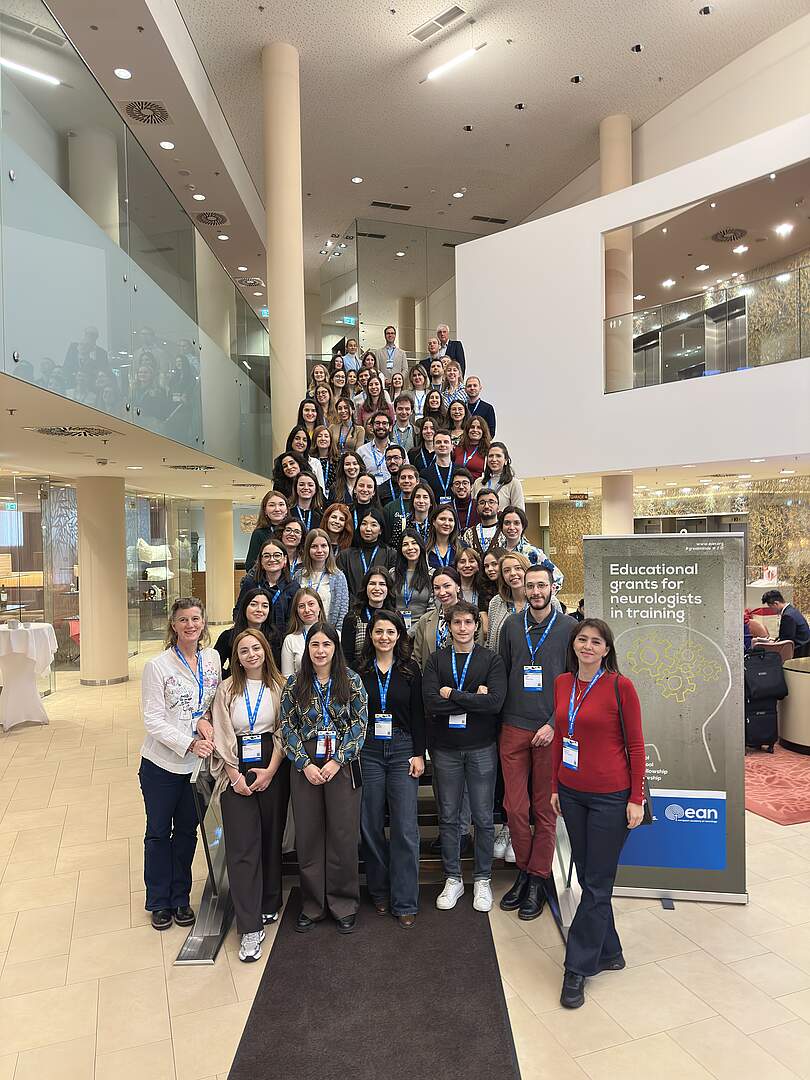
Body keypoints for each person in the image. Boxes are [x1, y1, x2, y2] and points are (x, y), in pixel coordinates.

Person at [551, 618, 646, 1008]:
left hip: (611, 796)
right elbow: (561, 738)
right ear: (574, 645)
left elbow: (636, 746)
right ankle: (610, 952)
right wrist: (555, 786)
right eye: (582, 640)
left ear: (606, 650)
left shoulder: (621, 687)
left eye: (595, 641)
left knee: (596, 883)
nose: (587, 646)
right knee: (590, 876)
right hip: (572, 793)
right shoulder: (562, 683)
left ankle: (577, 967)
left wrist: (636, 798)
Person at [498, 565, 577, 920]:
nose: (535, 592)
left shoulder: (569, 628)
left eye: (541, 585)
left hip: (549, 731)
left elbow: (576, 682)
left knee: (545, 810)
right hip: (513, 726)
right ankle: (526, 870)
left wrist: (553, 724)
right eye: (530, 586)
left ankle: (537, 878)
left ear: (552, 587)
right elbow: (502, 672)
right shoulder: (511, 626)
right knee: (515, 807)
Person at [139, 598, 221, 931]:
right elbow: (153, 720)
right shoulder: (157, 666)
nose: (191, 625)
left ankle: (180, 897)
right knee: (159, 833)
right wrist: (189, 742)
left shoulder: (212, 659)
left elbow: (210, 702)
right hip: (162, 766)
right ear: (173, 625)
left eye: (196, 619)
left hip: (196, 769)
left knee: (187, 832)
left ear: (204, 623)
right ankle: (159, 901)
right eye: (183, 620)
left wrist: (204, 720)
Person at [280, 622, 368, 933]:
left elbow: (360, 725)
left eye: (326, 645)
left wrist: (337, 760)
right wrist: (304, 763)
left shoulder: (351, 681)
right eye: (314, 645)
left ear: (335, 648)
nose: (320, 651)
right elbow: (287, 726)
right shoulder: (295, 683)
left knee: (343, 834)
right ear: (307, 649)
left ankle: (344, 903)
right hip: (305, 764)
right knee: (309, 835)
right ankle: (313, 904)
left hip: (341, 763)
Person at [423, 601, 507, 912]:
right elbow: (431, 703)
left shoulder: (491, 660)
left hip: (482, 747)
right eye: (456, 622)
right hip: (445, 749)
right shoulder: (436, 660)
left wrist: (453, 694)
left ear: (476, 626)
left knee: (483, 818)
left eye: (468, 622)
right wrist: (474, 698)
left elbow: (494, 703)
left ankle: (483, 878)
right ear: (449, 626)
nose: (462, 628)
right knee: (448, 816)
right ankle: (453, 878)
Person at [211, 630, 290, 962]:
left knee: (271, 837)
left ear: (265, 650)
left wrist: (270, 770)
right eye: (244, 650)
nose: (251, 654)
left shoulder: (280, 686)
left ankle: (270, 901)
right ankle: (250, 927)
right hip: (236, 763)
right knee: (242, 846)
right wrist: (233, 775)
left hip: (273, 762)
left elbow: (285, 729)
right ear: (237, 657)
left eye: (256, 648)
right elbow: (221, 732)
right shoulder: (227, 689)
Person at [358, 610, 425, 926]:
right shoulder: (359, 671)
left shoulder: (410, 669)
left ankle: (405, 899)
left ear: (399, 635)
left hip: (402, 749)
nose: (384, 637)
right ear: (370, 635)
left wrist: (419, 753)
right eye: (378, 631)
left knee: (405, 827)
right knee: (370, 824)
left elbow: (419, 714)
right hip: (368, 749)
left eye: (390, 632)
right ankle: (379, 891)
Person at [495, 506, 564, 594]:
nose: (511, 527)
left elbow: (558, 577)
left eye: (516, 523)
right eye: (507, 523)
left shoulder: (533, 552)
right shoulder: (497, 552)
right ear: (501, 526)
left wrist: (544, 597)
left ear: (523, 526)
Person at [340, 567, 396, 667]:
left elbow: (401, 651)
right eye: (372, 583)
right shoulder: (352, 617)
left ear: (388, 588)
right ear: (365, 587)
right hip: (358, 673)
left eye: (382, 584)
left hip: (390, 672)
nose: (377, 588)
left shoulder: (396, 617)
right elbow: (346, 658)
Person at [295, 528, 350, 631]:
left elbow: (342, 612)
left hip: (329, 634)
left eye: (324, 546)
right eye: (314, 546)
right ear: (307, 549)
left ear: (329, 548)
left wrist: (336, 634)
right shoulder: (299, 575)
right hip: (303, 632)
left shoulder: (338, 576)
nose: (319, 550)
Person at [337, 507, 395, 596]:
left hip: (380, 602)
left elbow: (392, 586)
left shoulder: (390, 554)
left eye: (373, 525)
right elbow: (341, 587)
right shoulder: (345, 556)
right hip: (352, 603)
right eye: (364, 524)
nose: (368, 529)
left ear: (380, 530)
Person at [215, 588, 272, 677]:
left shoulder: (275, 636)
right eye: (253, 604)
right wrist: (233, 677)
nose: (259, 609)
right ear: (244, 607)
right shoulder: (228, 636)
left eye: (265, 606)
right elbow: (215, 667)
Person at [487, 551, 530, 652]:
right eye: (506, 571)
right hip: (502, 660)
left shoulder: (547, 600)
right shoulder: (496, 602)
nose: (513, 573)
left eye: (518, 568)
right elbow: (490, 642)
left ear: (527, 570)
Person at [393, 529, 433, 631]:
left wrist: (411, 632)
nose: (410, 548)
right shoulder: (393, 574)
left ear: (421, 546)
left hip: (423, 630)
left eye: (414, 543)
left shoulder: (431, 575)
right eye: (405, 544)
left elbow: (432, 610)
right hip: (395, 630)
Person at [281, 587, 326, 677]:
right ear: (296, 611)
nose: (307, 610)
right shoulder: (290, 640)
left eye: (311, 604)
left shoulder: (336, 635)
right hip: (300, 686)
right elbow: (287, 678)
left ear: (320, 607)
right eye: (301, 606)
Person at [245, 490, 289, 572]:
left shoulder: (294, 531)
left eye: (281, 504)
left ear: (287, 509)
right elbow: (250, 565)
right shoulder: (259, 533)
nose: (277, 509)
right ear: (265, 510)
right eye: (272, 505)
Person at [472, 442, 525, 511]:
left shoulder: (513, 483)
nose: (494, 459)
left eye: (498, 456)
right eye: (491, 456)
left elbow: (519, 512)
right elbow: (473, 509)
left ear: (506, 460)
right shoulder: (478, 482)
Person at [761, 589, 810, 657]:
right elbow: (788, 635)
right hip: (803, 647)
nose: (771, 610)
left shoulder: (787, 616)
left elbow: (786, 641)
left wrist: (773, 643)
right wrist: (776, 639)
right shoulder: (792, 610)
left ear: (776, 604)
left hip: (798, 651)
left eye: (770, 607)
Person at [382, 462, 420, 546]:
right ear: (398, 481)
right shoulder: (389, 508)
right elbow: (386, 538)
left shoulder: (422, 505)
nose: (406, 481)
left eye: (410, 477)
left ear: (417, 481)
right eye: (403, 478)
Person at [285, 427, 328, 492]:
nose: (301, 442)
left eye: (304, 440)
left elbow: (321, 490)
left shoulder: (315, 463)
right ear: (291, 441)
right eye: (297, 438)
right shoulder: (284, 462)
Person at [461, 488, 501, 555]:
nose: (486, 506)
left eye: (491, 502)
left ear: (498, 507)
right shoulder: (469, 534)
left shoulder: (505, 531)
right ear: (477, 508)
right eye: (482, 503)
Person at [357, 411, 394, 483]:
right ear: (371, 427)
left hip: (392, 489)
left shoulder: (398, 450)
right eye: (377, 423)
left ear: (390, 427)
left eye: (384, 423)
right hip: (368, 488)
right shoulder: (361, 451)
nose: (381, 426)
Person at [454, 415, 490, 481]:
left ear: (483, 431)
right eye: (472, 427)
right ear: (467, 430)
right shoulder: (458, 448)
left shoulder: (488, 451)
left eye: (479, 428)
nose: (475, 430)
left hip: (477, 485)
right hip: (459, 485)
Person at [423, 430, 455, 505]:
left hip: (455, 511)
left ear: (452, 446)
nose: (442, 445)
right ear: (433, 447)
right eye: (438, 442)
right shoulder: (425, 474)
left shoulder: (460, 471)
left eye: (446, 442)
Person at [427, 505, 461, 573]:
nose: (447, 523)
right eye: (442, 519)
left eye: (450, 520)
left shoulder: (462, 547)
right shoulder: (424, 548)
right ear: (434, 522)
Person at [404, 480, 434, 547]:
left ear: (431, 502)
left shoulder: (436, 524)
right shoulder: (403, 524)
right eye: (417, 497)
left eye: (425, 497)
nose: (421, 501)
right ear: (412, 501)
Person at [311, 425, 337, 497]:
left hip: (334, 496)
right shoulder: (310, 460)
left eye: (326, 436)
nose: (323, 439)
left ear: (330, 440)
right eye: (319, 436)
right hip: (315, 496)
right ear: (315, 439)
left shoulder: (337, 460)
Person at [450, 468, 477, 532]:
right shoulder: (447, 508)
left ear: (471, 487)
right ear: (452, 488)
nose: (461, 487)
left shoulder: (479, 507)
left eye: (465, 483)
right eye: (457, 483)